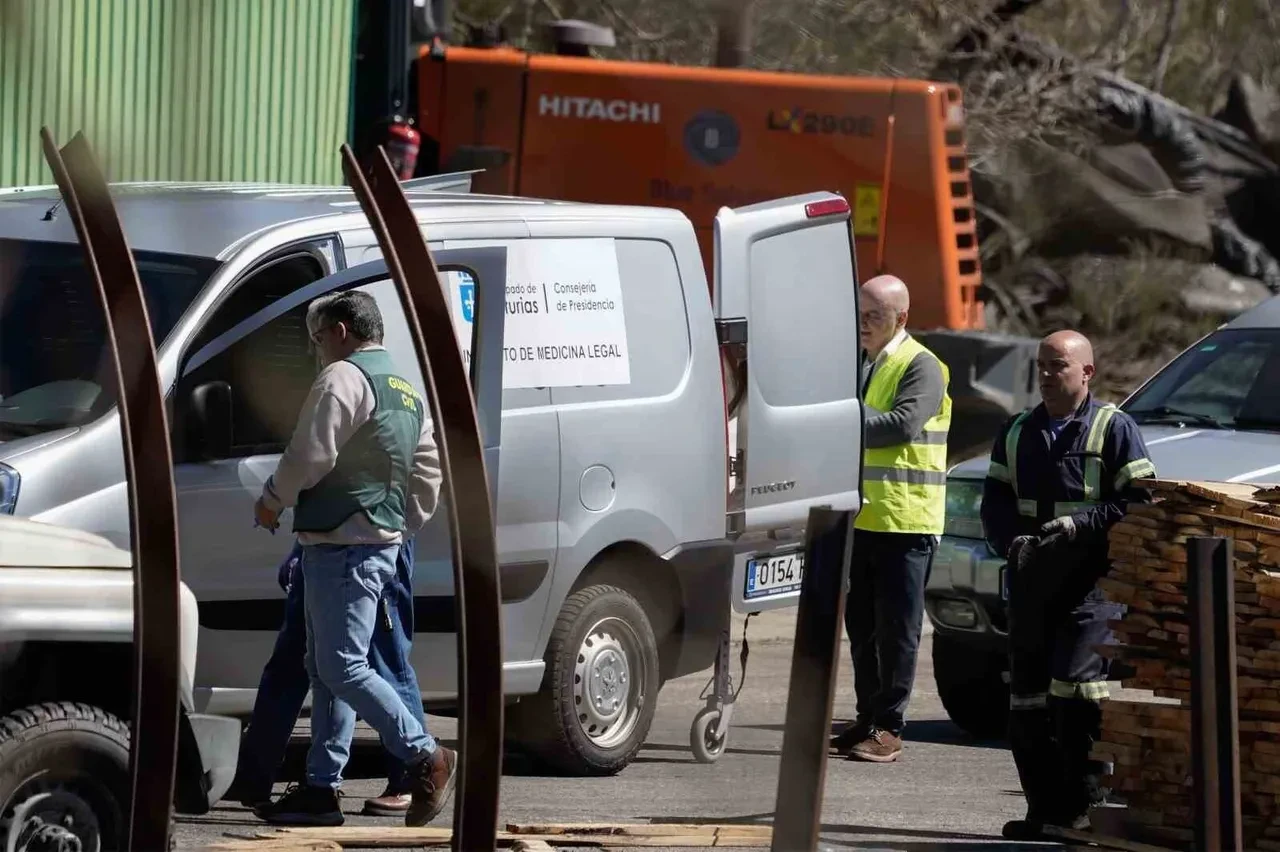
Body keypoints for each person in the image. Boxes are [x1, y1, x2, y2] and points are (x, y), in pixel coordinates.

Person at [250, 289, 453, 827]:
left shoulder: (342, 376)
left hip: (343, 544)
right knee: (326, 670)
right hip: (373, 543)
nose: (318, 351)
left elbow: (310, 453)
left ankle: (425, 756)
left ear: (340, 331)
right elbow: (428, 473)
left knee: (341, 666)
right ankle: (321, 788)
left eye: (318, 339)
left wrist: (272, 499)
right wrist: (399, 526)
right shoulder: (405, 389)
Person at [980, 330, 1156, 839]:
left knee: (1077, 692)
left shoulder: (1113, 428)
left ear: (1087, 372)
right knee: (1027, 700)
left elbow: (1140, 500)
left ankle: (1086, 809)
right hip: (1031, 585)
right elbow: (995, 502)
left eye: (1057, 366)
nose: (1045, 375)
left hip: (1090, 587)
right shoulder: (1016, 431)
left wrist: (1081, 525)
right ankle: (1045, 812)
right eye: (1041, 365)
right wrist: (1010, 541)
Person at [829, 274, 951, 764]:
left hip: (906, 522)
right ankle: (868, 717)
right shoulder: (865, 363)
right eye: (859, 315)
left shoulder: (922, 365)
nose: (863, 324)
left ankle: (889, 727)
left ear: (901, 318)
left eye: (874, 316)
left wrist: (839, 422)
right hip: (863, 521)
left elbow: (902, 426)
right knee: (862, 630)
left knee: (897, 632)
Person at [226, 535, 429, 818]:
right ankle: (297, 784)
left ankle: (420, 767)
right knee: (306, 662)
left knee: (366, 664)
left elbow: (415, 505)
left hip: (366, 541)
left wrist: (389, 530)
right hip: (322, 542)